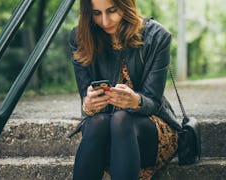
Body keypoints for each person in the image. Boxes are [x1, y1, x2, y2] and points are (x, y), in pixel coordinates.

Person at [68, 0, 181, 179]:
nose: (105, 21)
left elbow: (153, 100)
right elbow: (86, 99)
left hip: (149, 130)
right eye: (97, 13)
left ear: (126, 5)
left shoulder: (157, 36)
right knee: (98, 123)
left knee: (121, 119)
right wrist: (88, 103)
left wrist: (136, 101)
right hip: (104, 132)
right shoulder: (80, 37)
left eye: (112, 10)